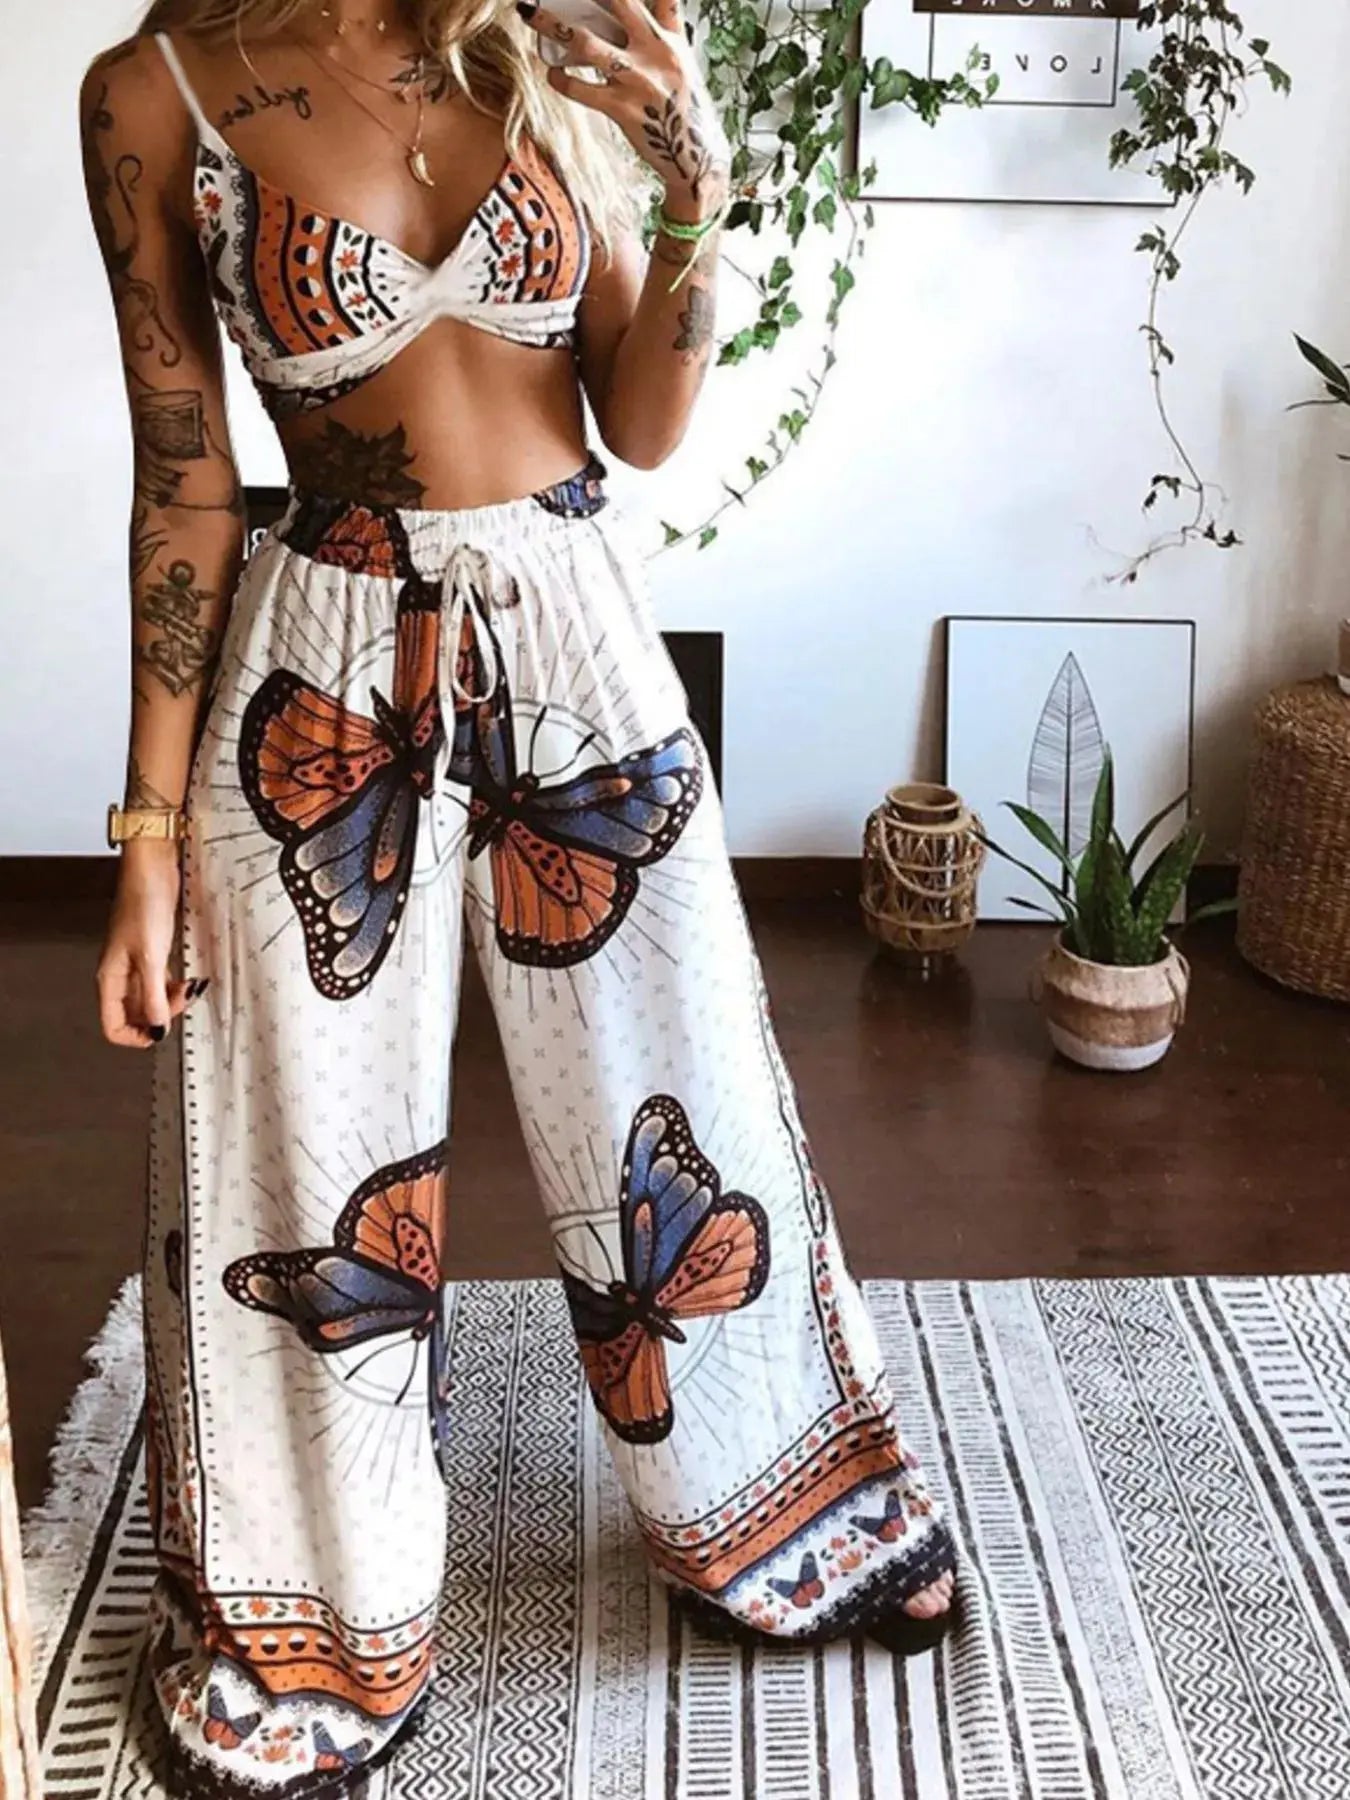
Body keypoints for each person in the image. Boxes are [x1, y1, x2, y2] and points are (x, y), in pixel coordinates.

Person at [81, 1, 960, 1790]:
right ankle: (309, 1620)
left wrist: (697, 186)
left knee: (689, 1090)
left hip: (573, 631)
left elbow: (641, 422)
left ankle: (777, 1506)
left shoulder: (540, 47)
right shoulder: (154, 92)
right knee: (301, 1153)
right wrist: (147, 836)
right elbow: (184, 487)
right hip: (321, 657)